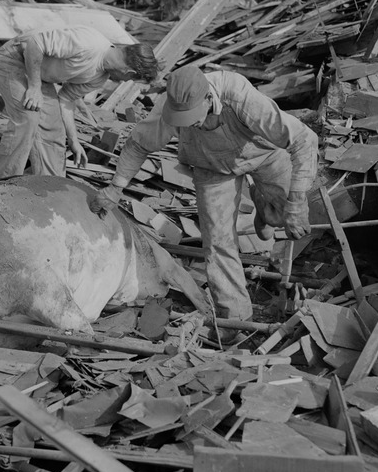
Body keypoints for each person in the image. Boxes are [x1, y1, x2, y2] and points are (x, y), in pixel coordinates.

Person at [89, 65, 318, 326]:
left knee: (291, 219)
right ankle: (237, 319)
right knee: (218, 243)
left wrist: (297, 201)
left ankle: (266, 207)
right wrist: (116, 187)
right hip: (213, 169)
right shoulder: (168, 108)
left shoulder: (241, 97)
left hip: (263, 153)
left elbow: (304, 140)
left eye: (193, 118)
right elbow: (138, 144)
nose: (191, 124)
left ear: (209, 98)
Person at [0, 26, 159, 185]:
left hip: (41, 77)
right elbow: (35, 44)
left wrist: (74, 141)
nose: (124, 81)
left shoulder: (99, 77)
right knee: (28, 118)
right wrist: (34, 87)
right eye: (129, 80)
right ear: (129, 72)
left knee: (54, 131)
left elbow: (66, 100)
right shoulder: (89, 43)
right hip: (15, 59)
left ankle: (49, 188)